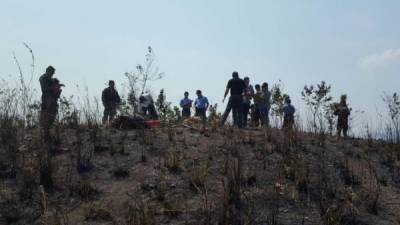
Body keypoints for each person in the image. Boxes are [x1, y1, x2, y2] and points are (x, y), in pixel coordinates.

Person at [39, 66, 64, 137]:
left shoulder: (51, 79)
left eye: (53, 73)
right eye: (51, 72)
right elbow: (44, 88)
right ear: (47, 71)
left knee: (52, 117)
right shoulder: (43, 78)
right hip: (46, 100)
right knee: (46, 117)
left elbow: (54, 87)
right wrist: (54, 88)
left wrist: (58, 86)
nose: (52, 74)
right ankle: (45, 134)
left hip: (53, 100)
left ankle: (48, 134)